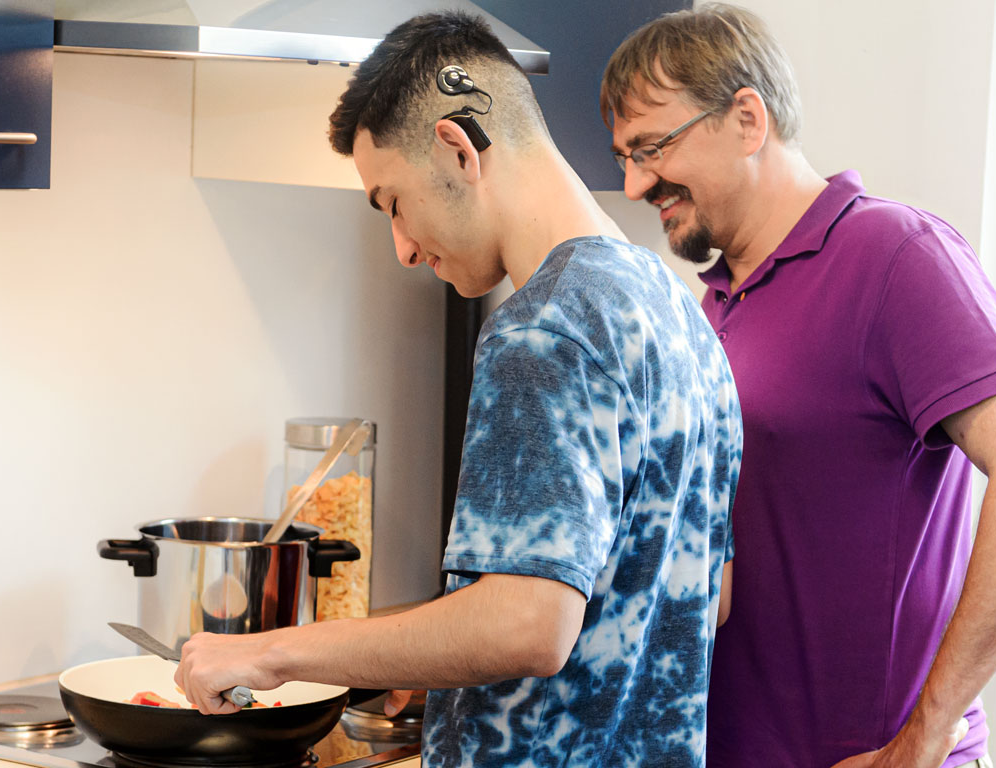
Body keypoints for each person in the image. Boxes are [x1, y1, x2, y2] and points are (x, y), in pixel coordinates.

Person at [173, 11, 742, 768]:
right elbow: (705, 593)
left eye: (394, 203)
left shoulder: (543, 330)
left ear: (456, 147)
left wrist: (272, 654)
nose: (404, 248)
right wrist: (424, 657)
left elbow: (527, 627)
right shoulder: (677, 312)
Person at [599, 6, 996, 768]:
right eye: (624, 157)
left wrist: (926, 735)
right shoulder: (718, 300)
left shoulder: (895, 255)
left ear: (746, 118)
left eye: (652, 148)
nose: (634, 182)